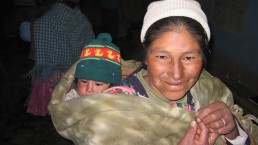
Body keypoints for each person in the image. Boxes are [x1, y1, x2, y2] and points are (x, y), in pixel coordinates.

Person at [48, 0, 257, 145]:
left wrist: (235, 132)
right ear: (146, 57)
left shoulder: (210, 89)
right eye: (162, 57)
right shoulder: (110, 117)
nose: (177, 74)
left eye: (189, 57)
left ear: (204, 57)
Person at [23, 0, 95, 116]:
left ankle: (52, 109)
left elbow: (34, 28)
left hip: (54, 69)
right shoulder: (80, 18)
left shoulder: (56, 17)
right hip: (71, 70)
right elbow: (89, 41)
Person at [64, 33, 122, 101]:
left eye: (97, 84)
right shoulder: (71, 99)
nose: (89, 89)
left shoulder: (115, 102)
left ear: (112, 87)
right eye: (84, 81)